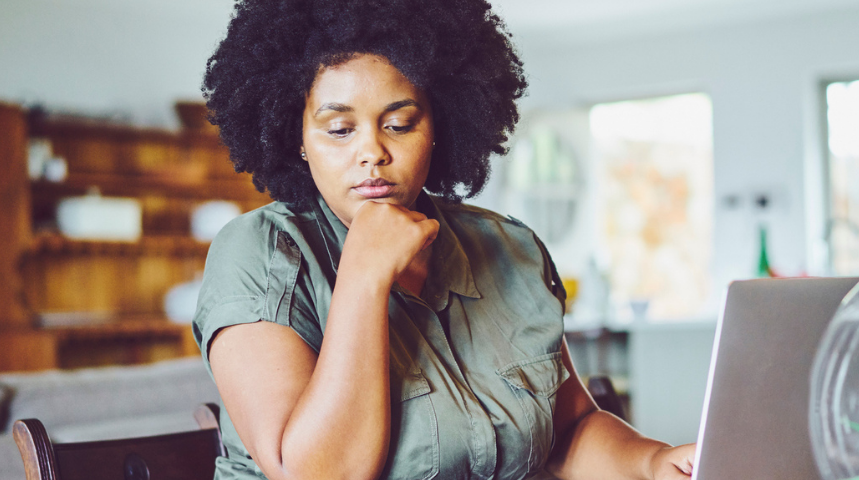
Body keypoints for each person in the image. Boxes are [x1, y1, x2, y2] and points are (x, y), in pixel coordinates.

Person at [193, 0, 697, 479]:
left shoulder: (509, 248)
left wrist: (655, 462)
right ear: (296, 138)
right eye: (340, 129)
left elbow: (569, 430)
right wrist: (363, 276)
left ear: (439, 124)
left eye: (399, 123)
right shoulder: (256, 253)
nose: (372, 151)